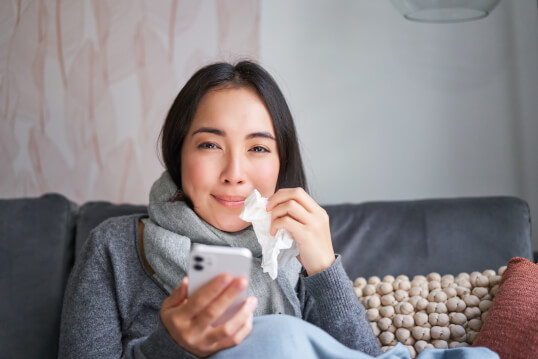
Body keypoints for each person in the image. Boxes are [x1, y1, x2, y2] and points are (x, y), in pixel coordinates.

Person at [58, 61, 499, 359]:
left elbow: (356, 357)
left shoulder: (293, 250)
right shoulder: (115, 246)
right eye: (210, 144)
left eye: (258, 148)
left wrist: (323, 264)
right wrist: (172, 346)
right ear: (178, 154)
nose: (234, 173)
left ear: (280, 162)